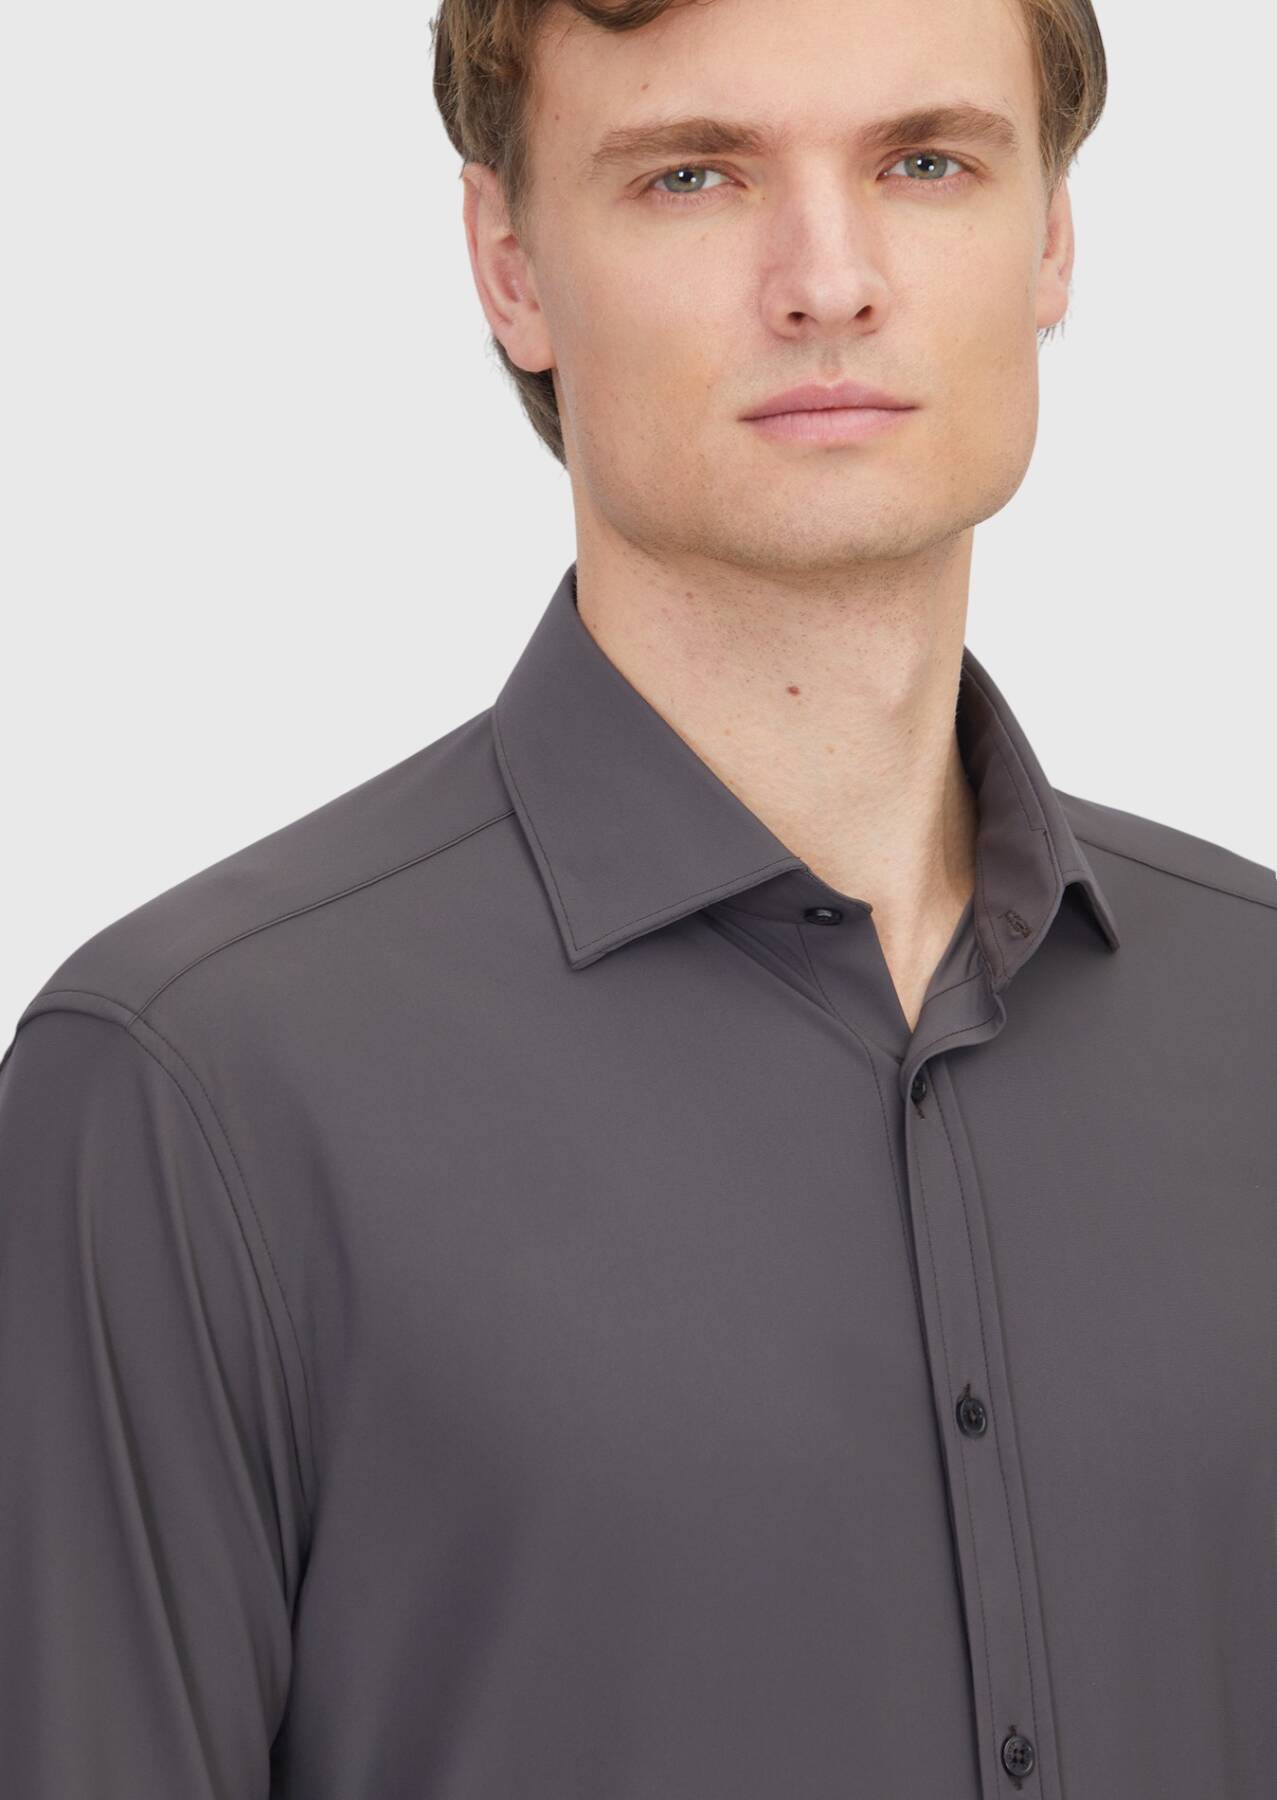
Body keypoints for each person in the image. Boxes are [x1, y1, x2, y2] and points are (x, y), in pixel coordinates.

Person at [2, 0, 1274, 1794]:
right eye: (693, 176)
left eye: (924, 163)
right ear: (509, 266)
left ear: (1051, 235)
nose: (828, 282)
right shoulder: (188, 1093)